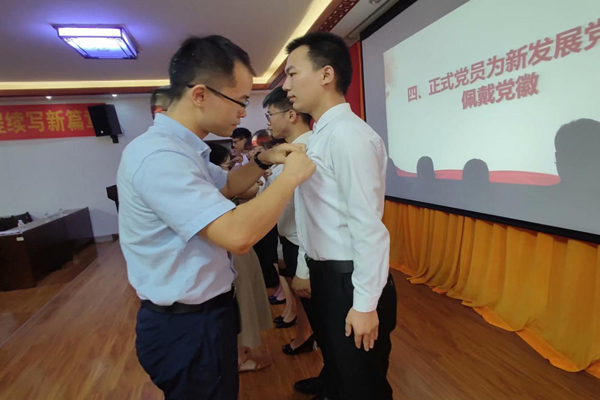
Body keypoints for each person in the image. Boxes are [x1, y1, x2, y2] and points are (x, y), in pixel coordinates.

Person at [117, 35, 315, 399]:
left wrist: (263, 160)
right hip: (186, 326)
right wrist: (290, 178)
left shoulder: (183, 149)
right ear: (200, 95)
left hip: (204, 315)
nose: (243, 112)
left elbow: (227, 186)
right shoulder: (160, 157)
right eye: (240, 101)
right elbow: (236, 235)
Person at [283, 32, 397, 400]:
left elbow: (368, 226)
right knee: (341, 369)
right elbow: (312, 211)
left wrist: (364, 305)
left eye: (292, 74)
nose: (286, 86)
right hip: (329, 276)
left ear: (326, 74)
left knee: (361, 384)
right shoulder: (320, 135)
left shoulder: (348, 135)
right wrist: (305, 266)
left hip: (349, 279)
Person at [208, 142, 273, 373]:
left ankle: (240, 352)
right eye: (226, 165)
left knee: (245, 296)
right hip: (230, 249)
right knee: (240, 299)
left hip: (236, 249)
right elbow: (247, 191)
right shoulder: (209, 180)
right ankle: (238, 357)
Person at [263, 87, 316, 346]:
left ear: (291, 115)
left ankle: (309, 339)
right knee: (304, 302)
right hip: (290, 240)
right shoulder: (287, 151)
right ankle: (305, 335)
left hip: (306, 245)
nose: (268, 122)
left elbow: (312, 213)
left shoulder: (310, 151)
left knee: (317, 310)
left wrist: (303, 266)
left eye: (271, 114)